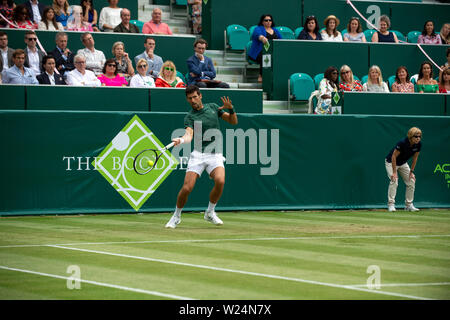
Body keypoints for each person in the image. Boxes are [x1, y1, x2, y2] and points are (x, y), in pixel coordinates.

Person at [165, 85, 238, 229]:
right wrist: (180, 140)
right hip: (198, 155)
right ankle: (176, 216)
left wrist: (231, 109)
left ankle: (210, 212)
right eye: (189, 98)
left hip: (215, 154)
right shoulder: (190, 116)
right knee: (187, 188)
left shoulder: (213, 107)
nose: (193, 100)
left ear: (200, 96)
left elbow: (233, 121)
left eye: (195, 97)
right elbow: (189, 135)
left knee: (220, 181)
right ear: (187, 100)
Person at [385, 127, 422, 212]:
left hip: (402, 163)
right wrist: (394, 172)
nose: (418, 138)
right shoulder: (402, 143)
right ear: (410, 136)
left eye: (419, 136)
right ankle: (391, 205)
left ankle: (408, 205)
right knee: (394, 180)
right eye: (416, 136)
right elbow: (393, 157)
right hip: (391, 162)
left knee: (412, 180)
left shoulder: (418, 145)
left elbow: (415, 158)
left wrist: (411, 172)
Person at [248, 14, 282, 83]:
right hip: (259, 52)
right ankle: (261, 75)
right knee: (266, 56)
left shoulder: (275, 30)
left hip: (273, 52)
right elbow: (257, 35)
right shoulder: (258, 28)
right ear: (262, 22)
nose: (268, 22)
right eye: (266, 20)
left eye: (270, 20)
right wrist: (262, 38)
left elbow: (281, 40)